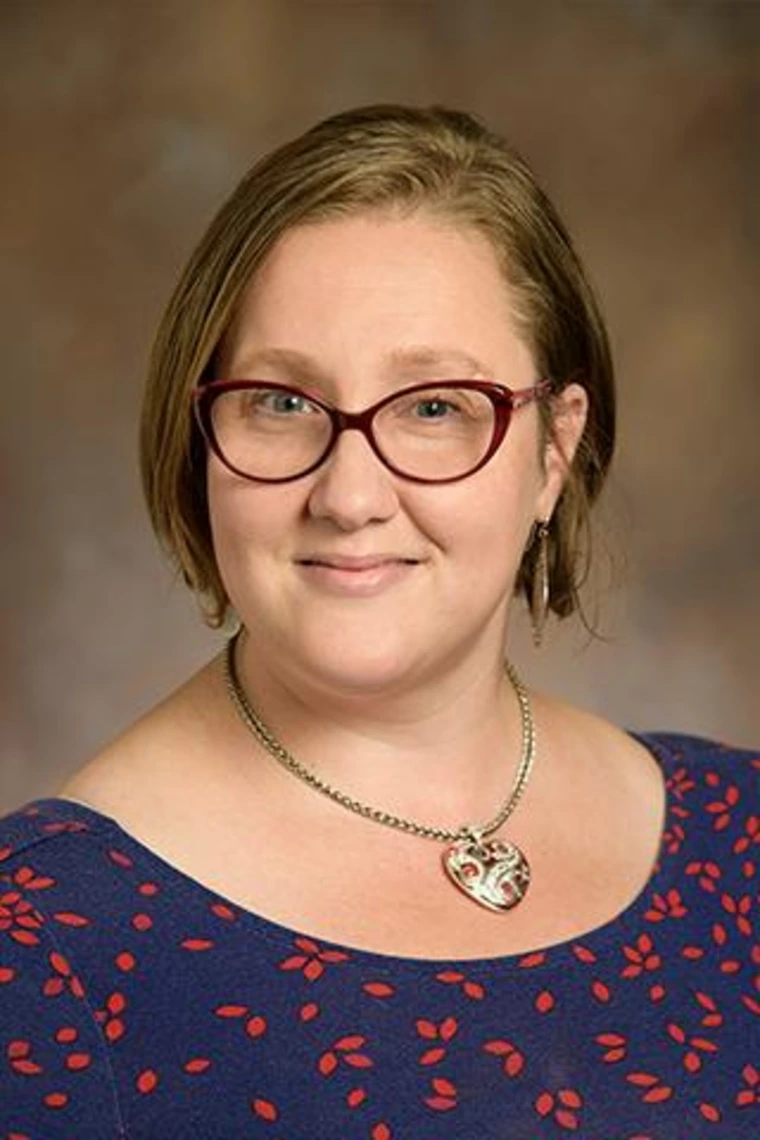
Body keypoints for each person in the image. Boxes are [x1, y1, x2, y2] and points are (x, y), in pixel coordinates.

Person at [1, 104, 757, 1139]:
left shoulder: (739, 836)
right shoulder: (41, 943)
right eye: (279, 402)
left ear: (552, 451)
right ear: (200, 439)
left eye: (436, 406)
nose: (349, 494)